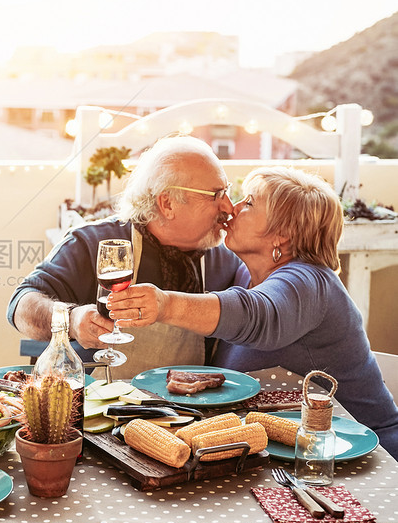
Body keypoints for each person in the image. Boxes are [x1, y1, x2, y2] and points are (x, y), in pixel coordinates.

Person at [108, 166, 398, 459]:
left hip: (363, 455)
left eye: (249, 203)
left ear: (282, 235)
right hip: (289, 449)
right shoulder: (248, 273)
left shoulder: (309, 283)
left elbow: (258, 315)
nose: (232, 208)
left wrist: (165, 304)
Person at [7, 135, 241, 376]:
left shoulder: (225, 260)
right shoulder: (93, 243)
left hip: (186, 411)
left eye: (226, 191)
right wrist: (72, 320)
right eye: (215, 195)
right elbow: (19, 306)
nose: (228, 207)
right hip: (96, 406)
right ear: (167, 203)